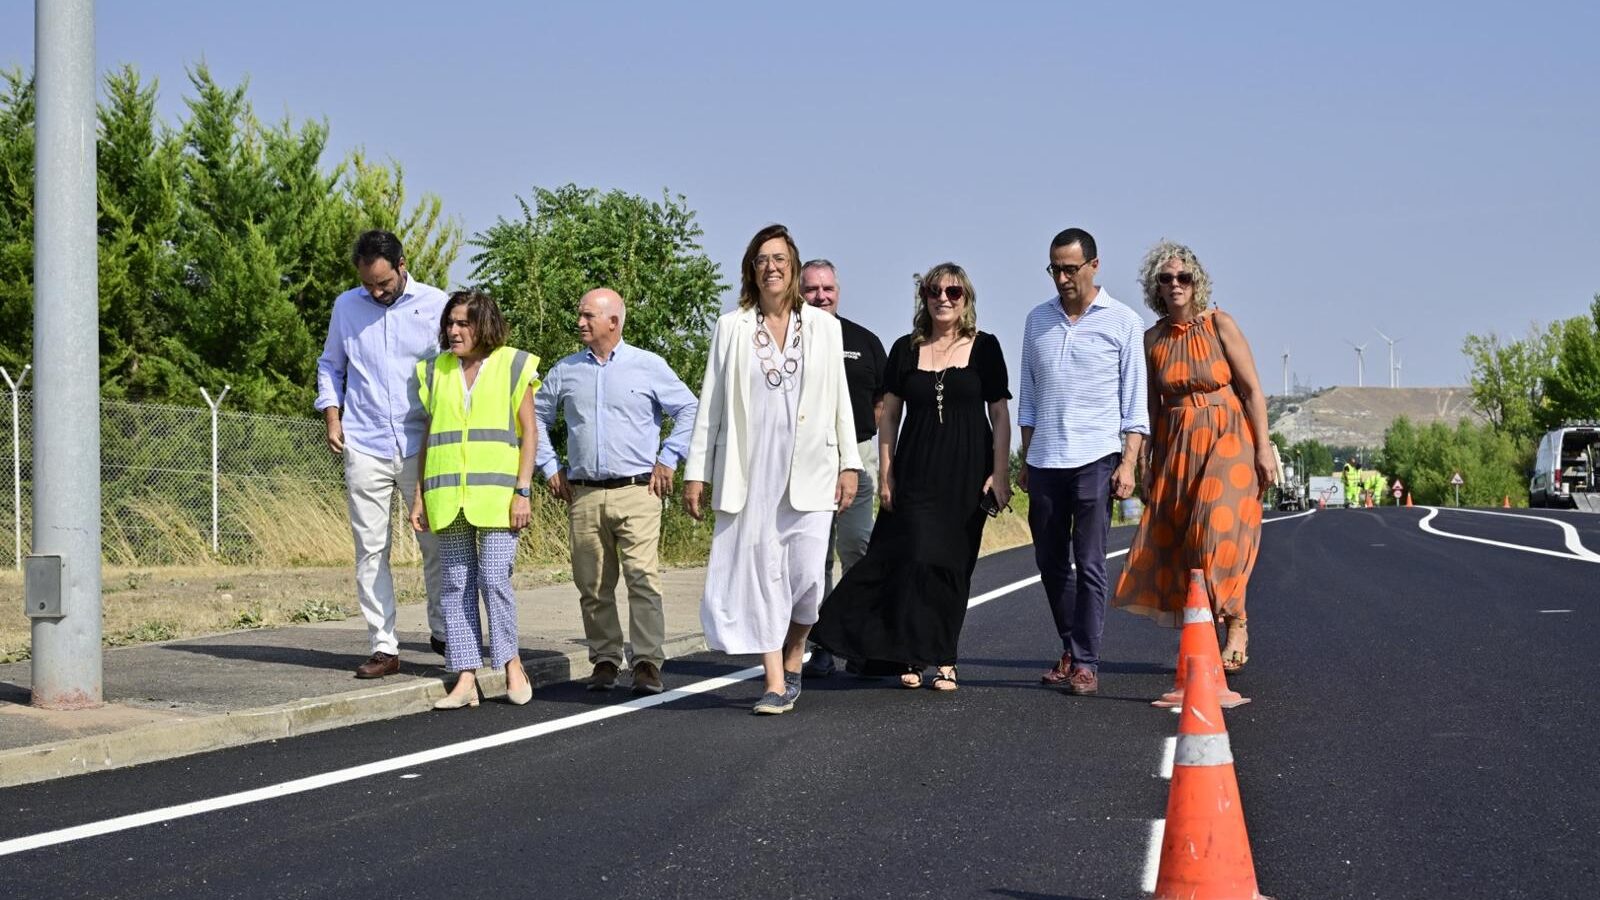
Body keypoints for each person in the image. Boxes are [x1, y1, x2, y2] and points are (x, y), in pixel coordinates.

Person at [683, 224, 861, 715]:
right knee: (763, 576)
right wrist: (697, 472)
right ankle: (775, 682)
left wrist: (850, 463)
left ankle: (796, 653)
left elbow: (840, 402)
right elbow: (711, 405)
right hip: (751, 467)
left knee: (807, 579)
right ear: (751, 269)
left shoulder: (825, 327)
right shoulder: (731, 327)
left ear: (794, 265)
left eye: (780, 258)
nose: (772, 266)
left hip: (812, 467)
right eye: (762, 259)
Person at [811, 263, 1011, 692]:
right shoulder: (905, 349)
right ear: (924, 298)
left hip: (966, 473)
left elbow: (999, 414)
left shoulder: (986, 348)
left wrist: (1000, 474)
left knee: (953, 566)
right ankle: (910, 655)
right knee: (914, 558)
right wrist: (886, 473)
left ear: (966, 299)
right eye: (934, 290)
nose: (943, 298)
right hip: (916, 469)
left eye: (953, 292)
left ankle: (945, 660)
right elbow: (889, 418)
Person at [1112, 241, 1275, 674]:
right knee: (1187, 544)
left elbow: (1254, 390)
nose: (1175, 285)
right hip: (1178, 442)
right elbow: (1149, 409)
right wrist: (1144, 461)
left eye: (1183, 277)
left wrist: (1263, 447)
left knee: (1213, 528)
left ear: (1196, 282)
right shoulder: (1151, 341)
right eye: (1166, 279)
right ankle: (1210, 629)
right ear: (1156, 289)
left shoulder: (1220, 324)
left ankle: (1236, 621)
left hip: (1228, 434)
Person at [535, 288, 699, 696]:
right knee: (591, 583)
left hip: (638, 491)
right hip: (584, 493)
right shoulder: (566, 370)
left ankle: (646, 663)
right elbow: (533, 415)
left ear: (614, 321)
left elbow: (690, 409)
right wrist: (549, 465)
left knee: (643, 579)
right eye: (580, 315)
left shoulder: (648, 365)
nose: (580, 322)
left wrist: (669, 457)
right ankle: (605, 660)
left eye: (588, 315)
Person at [1017, 227, 1149, 696]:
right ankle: (1072, 647)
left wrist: (1129, 463)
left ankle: (1087, 661)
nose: (1062, 278)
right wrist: (1026, 456)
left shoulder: (1123, 322)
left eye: (1071, 268)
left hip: (1096, 458)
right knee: (1051, 563)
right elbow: (1028, 398)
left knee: (1089, 562)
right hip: (1045, 458)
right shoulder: (1037, 320)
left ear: (1094, 266)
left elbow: (1135, 407)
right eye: (1055, 269)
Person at [315, 230, 448, 679]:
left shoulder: (436, 304)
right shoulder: (345, 307)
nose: (375, 291)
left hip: (421, 444)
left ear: (402, 265)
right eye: (368, 283)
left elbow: (452, 369)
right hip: (365, 442)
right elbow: (331, 365)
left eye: (383, 282)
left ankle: (444, 631)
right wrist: (333, 417)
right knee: (370, 550)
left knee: (434, 542)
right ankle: (384, 647)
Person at [409, 290, 540, 709]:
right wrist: (419, 496)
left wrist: (523, 490)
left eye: (463, 323)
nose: (453, 330)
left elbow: (529, 432)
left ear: (484, 325)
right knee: (455, 584)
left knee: (494, 578)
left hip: (499, 497)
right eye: (450, 323)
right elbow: (429, 437)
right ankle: (465, 677)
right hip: (446, 496)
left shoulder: (513, 364)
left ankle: (511, 664)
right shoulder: (433, 371)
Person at [798, 259, 888, 678]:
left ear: (838, 290)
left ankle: (860, 640)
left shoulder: (864, 341)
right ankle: (820, 646)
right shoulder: (789, 338)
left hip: (860, 458)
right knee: (813, 560)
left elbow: (883, 407)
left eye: (827, 288)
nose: (821, 296)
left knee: (856, 550)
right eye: (812, 289)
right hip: (807, 462)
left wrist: (883, 462)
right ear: (800, 292)